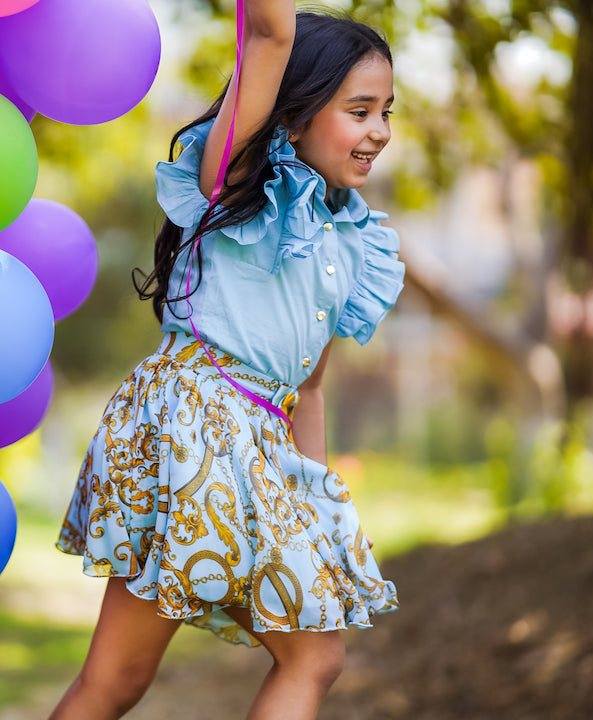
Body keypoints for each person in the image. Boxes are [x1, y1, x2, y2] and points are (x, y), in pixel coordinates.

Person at [52, 1, 404, 718]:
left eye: (387, 111)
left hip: (253, 440)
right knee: (312, 654)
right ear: (291, 115)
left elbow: (307, 387)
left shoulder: (348, 242)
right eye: (360, 110)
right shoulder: (237, 187)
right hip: (198, 421)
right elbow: (271, 32)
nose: (380, 132)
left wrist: (319, 499)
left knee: (117, 679)